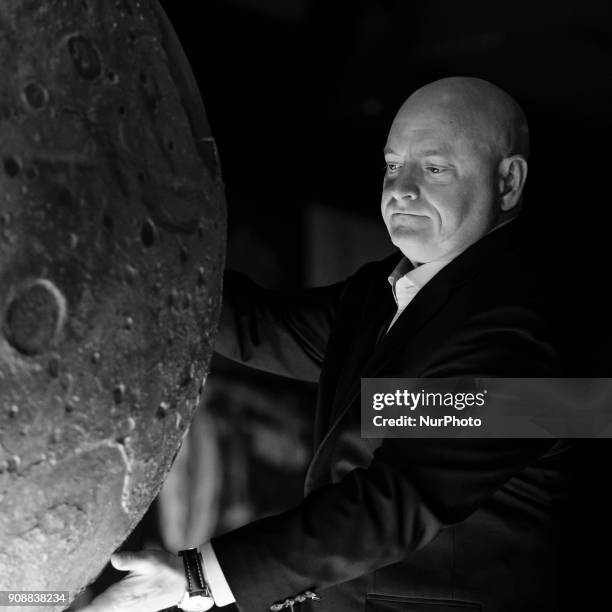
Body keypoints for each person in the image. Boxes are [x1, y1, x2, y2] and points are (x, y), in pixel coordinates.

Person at [81, 77, 574, 612]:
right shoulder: (383, 295)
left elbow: (393, 504)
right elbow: (257, 327)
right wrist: (110, 266)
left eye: (434, 169)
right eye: (392, 165)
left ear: (508, 182)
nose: (400, 189)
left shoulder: (527, 332)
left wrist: (198, 576)